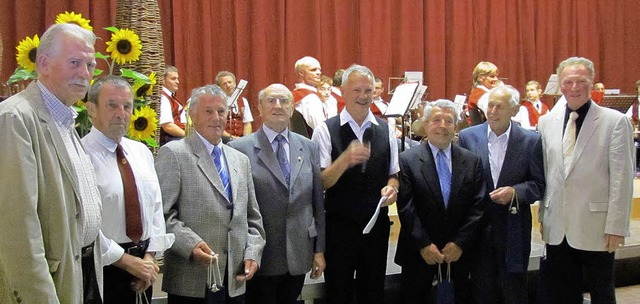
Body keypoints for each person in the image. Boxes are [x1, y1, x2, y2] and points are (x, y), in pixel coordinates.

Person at [0, 23, 104, 303]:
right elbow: (17, 228)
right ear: (43, 63)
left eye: (90, 65)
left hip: (82, 273)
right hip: (49, 283)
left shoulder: (66, 120)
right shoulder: (16, 118)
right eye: (74, 62)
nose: (85, 73)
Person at [156, 84, 266, 304]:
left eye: (221, 111)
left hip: (235, 279)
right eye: (208, 111)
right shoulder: (174, 154)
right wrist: (191, 245)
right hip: (192, 280)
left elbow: (253, 218)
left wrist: (253, 253)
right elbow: (162, 215)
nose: (216, 117)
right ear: (193, 115)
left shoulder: (240, 160)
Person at [538, 57, 634, 303]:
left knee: (601, 293)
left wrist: (616, 226)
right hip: (558, 229)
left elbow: (621, 179)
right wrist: (544, 218)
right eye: (568, 81)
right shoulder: (546, 122)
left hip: (597, 227)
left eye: (581, 81)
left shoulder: (614, 121)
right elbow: (549, 173)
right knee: (564, 295)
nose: (574, 87)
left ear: (591, 83)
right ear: (560, 85)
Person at [229, 84, 326, 304]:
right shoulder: (240, 149)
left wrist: (319, 250)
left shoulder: (309, 147)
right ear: (260, 108)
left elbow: (317, 203)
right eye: (271, 101)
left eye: (284, 101)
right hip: (260, 256)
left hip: (299, 252)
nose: (278, 106)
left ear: (292, 109)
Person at [311, 64, 400, 304]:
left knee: (373, 294)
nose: (363, 96)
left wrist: (392, 189)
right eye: (357, 90)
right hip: (339, 229)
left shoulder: (386, 130)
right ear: (343, 91)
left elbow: (394, 174)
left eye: (368, 90)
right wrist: (344, 160)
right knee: (338, 294)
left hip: (376, 228)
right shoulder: (325, 130)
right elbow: (320, 183)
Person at [82, 76, 174, 303]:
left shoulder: (141, 152)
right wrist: (126, 261)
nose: (121, 113)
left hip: (144, 268)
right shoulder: (80, 155)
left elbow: (155, 209)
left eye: (127, 106)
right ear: (91, 109)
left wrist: (149, 259)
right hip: (103, 268)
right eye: (112, 105)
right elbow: (82, 222)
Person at [458, 85, 545, 304]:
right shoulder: (468, 137)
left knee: (513, 290)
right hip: (478, 229)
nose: (493, 111)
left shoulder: (530, 140)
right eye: (490, 105)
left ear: (514, 111)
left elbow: (539, 184)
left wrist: (516, 191)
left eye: (500, 106)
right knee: (481, 290)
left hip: (513, 228)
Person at [395, 99, 485, 303]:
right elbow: (406, 207)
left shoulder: (472, 161)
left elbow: (478, 206)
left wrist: (459, 243)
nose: (443, 126)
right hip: (419, 254)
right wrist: (424, 244)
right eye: (436, 120)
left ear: (456, 126)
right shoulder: (407, 159)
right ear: (426, 125)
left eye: (449, 121)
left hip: (459, 255)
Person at [215, 71, 254, 138]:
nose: (228, 85)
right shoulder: (216, 102)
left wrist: (245, 139)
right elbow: (216, 126)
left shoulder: (243, 101)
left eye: (230, 82)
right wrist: (232, 138)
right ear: (219, 87)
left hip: (241, 139)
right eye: (224, 84)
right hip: (223, 139)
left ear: (235, 83)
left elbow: (247, 123)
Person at [292, 56, 325, 131]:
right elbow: (320, 129)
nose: (319, 73)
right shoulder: (310, 98)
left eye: (319, 70)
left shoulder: (293, 96)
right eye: (313, 70)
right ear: (301, 73)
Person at [159, 65, 186, 145]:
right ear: (163, 80)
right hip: (171, 140)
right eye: (173, 79)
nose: (177, 82)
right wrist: (189, 137)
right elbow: (168, 126)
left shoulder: (172, 98)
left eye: (177, 78)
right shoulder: (162, 98)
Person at [467, 61, 499, 126]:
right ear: (480, 78)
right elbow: (492, 113)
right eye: (492, 76)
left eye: (496, 76)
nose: (496, 79)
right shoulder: (479, 94)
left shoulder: (480, 92)